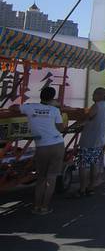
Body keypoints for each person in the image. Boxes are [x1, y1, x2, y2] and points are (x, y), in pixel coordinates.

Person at [11, 86, 65, 214]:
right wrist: (57, 107)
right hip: (57, 144)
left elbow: (13, 107)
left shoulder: (29, 107)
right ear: (52, 98)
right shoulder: (54, 110)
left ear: (41, 95)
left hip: (41, 146)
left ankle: (36, 206)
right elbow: (61, 129)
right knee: (51, 178)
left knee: (41, 178)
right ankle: (44, 207)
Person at [74, 87, 105, 197]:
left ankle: (82, 189)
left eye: (94, 94)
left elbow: (87, 118)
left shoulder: (96, 106)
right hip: (100, 140)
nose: (92, 96)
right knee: (94, 164)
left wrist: (76, 125)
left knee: (83, 165)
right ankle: (91, 188)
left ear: (100, 95)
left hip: (89, 140)